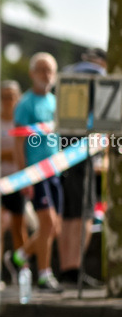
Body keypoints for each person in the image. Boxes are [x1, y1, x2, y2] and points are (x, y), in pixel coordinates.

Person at [7, 52, 64, 292]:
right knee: (47, 223)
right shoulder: (25, 104)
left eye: (49, 70)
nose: (46, 75)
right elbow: (19, 143)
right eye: (41, 69)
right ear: (32, 73)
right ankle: (44, 272)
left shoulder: (55, 102)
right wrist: (24, 176)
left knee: (53, 227)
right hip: (36, 172)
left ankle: (20, 256)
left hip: (55, 170)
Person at [58, 47, 107, 287]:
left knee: (69, 214)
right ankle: (74, 268)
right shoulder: (100, 75)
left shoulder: (68, 74)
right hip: (83, 148)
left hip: (63, 149)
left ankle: (68, 268)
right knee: (83, 214)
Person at [0, 80, 28, 285]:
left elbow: (23, 151)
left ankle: (22, 270)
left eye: (11, 96)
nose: (8, 101)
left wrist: (10, 155)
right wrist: (11, 154)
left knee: (19, 227)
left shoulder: (20, 121)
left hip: (17, 181)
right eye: (4, 96)